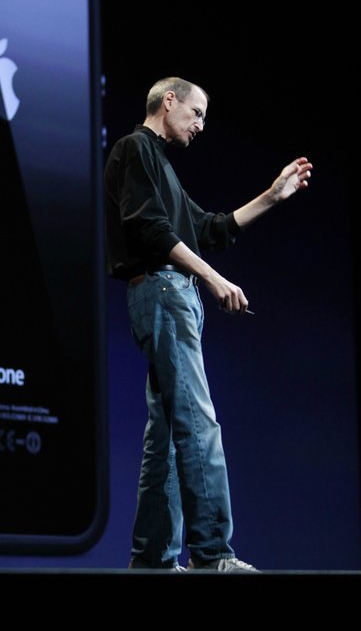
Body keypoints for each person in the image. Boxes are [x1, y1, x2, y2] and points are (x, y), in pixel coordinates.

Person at [104, 76, 312, 573]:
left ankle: (152, 560)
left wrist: (272, 196)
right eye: (196, 113)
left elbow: (208, 229)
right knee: (198, 421)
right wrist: (214, 279)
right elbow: (150, 229)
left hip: (172, 294)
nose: (200, 125)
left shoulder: (162, 168)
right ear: (168, 101)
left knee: (168, 430)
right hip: (164, 290)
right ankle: (213, 553)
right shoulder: (136, 148)